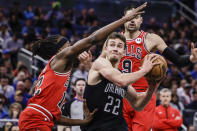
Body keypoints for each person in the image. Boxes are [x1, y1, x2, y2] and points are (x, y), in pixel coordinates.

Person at [18, 3, 147, 131]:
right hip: (35, 118)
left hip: (41, 118)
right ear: (60, 50)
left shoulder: (59, 71)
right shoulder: (60, 58)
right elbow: (92, 39)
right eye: (69, 46)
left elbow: (55, 117)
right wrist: (124, 20)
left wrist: (83, 122)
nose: (73, 48)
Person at [118, 5, 197, 131]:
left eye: (136, 17)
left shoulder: (151, 39)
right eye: (129, 17)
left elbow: (178, 60)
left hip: (145, 94)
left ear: (141, 20)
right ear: (123, 19)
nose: (132, 20)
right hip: (120, 94)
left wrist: (192, 59)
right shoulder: (114, 41)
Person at [81, 32, 162, 131]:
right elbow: (120, 81)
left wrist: (151, 88)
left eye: (119, 46)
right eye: (112, 45)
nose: (115, 48)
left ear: (124, 52)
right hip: (97, 127)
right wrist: (144, 70)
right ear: (105, 49)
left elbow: (138, 104)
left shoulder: (121, 74)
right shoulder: (100, 63)